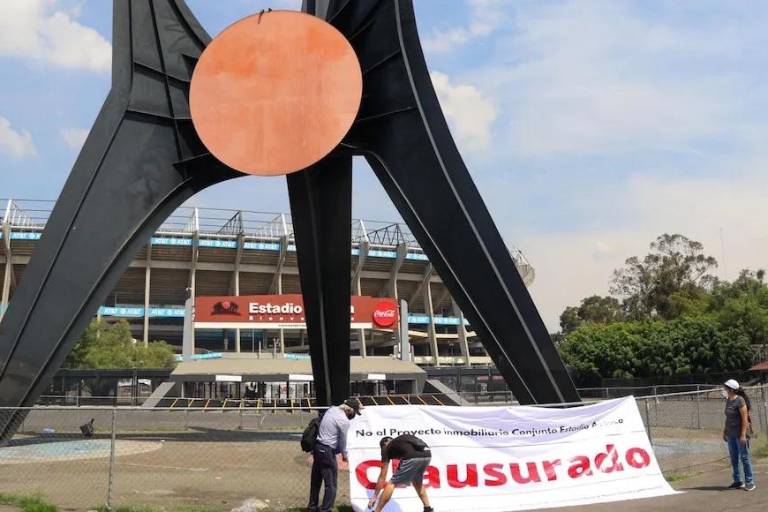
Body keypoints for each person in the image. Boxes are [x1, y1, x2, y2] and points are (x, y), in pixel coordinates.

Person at [308, 398, 363, 512]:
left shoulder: (332, 409)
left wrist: (358, 405)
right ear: (350, 411)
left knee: (316, 481)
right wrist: (345, 455)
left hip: (317, 448)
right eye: (355, 412)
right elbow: (343, 442)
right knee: (331, 484)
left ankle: (312, 508)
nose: (354, 415)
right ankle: (326, 509)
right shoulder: (344, 421)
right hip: (327, 452)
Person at [368, 435, 434, 512]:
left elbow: (383, 475)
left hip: (412, 456)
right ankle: (428, 508)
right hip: (427, 454)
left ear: (384, 444)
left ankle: (377, 511)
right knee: (417, 481)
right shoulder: (401, 441)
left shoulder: (386, 447)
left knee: (392, 483)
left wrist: (375, 496)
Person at [722, 379, 755, 491]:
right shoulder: (728, 400)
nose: (724, 390)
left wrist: (743, 435)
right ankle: (737, 481)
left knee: (744, 458)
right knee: (734, 458)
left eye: (726, 388)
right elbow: (728, 418)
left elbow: (744, 419)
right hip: (730, 434)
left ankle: (750, 482)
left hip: (739, 434)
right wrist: (725, 431)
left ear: (731, 389)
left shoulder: (740, 400)